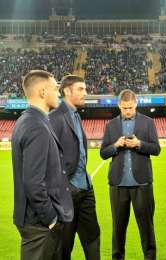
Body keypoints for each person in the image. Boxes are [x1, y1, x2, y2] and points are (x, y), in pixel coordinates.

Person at [11, 70, 73, 260]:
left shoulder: (28, 120)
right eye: (55, 88)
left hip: (34, 221)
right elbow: (33, 182)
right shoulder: (36, 125)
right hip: (39, 224)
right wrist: (51, 219)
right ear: (43, 92)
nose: (59, 93)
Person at [100, 89, 161, 260]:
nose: (128, 111)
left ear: (136, 104)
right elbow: (103, 153)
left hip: (142, 184)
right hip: (118, 184)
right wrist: (115, 145)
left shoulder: (148, 122)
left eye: (131, 107)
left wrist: (139, 144)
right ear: (119, 105)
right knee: (118, 228)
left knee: (146, 228)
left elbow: (156, 149)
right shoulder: (111, 125)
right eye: (124, 108)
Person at [49, 75, 100, 260]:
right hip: (67, 192)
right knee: (64, 245)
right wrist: (64, 186)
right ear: (67, 91)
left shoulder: (76, 115)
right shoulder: (55, 117)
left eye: (85, 89)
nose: (85, 93)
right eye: (81, 89)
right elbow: (50, 158)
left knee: (93, 238)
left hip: (85, 189)